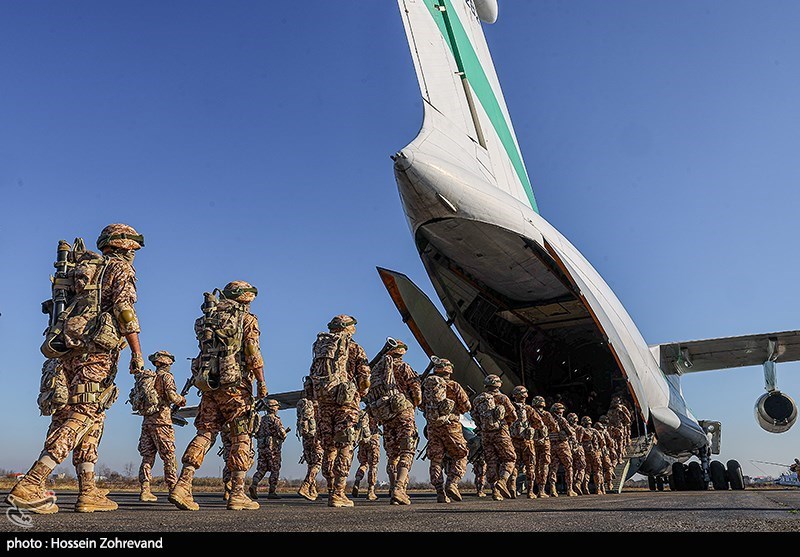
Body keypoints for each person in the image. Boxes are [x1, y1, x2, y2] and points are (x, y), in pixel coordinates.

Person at [7, 224, 145, 514]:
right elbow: (124, 309)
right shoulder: (120, 269)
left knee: (82, 417)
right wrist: (137, 351)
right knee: (83, 415)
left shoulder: (80, 270)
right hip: (97, 352)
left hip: (68, 351)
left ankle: (88, 490)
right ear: (125, 246)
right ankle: (32, 482)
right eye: (133, 247)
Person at [169, 281, 268, 511]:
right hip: (235, 387)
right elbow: (253, 352)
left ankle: (183, 484)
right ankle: (237, 493)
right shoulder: (246, 319)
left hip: (209, 385)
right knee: (241, 436)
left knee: (205, 433)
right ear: (244, 297)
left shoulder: (207, 319)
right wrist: (261, 382)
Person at [308, 314, 370, 507]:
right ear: (348, 328)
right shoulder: (354, 347)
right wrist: (361, 392)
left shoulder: (320, 346)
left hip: (324, 402)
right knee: (345, 445)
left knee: (329, 448)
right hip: (346, 403)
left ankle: (330, 489)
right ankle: (339, 493)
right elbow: (364, 378)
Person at [364, 339, 421, 505]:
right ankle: (399, 488)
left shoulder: (377, 372)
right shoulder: (404, 367)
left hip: (386, 416)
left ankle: (393, 488)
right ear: (402, 352)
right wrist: (414, 403)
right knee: (407, 450)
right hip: (403, 413)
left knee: (392, 455)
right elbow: (417, 393)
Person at [137, 350, 186, 502]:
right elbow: (172, 396)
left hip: (147, 421)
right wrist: (181, 400)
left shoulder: (147, 378)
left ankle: (145, 490)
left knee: (147, 457)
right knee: (169, 456)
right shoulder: (166, 377)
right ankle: (173, 488)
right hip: (162, 422)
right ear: (168, 363)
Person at [422, 358, 471, 503]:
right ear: (449, 370)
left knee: (436, 459)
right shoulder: (454, 385)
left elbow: (421, 405)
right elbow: (466, 406)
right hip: (451, 425)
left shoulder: (427, 386)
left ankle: (439, 492)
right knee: (461, 454)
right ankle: (452, 483)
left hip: (432, 427)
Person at [472, 375, 517, 501]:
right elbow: (513, 416)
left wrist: (483, 427)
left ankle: (494, 490)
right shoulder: (502, 398)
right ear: (499, 385)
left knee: (491, 461)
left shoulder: (478, 399)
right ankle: (502, 483)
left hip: (486, 435)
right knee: (510, 458)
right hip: (501, 432)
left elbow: (475, 417)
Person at [249, 399, 289, 500]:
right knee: (275, 469)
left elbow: (256, 433)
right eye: (276, 406)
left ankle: (254, 484)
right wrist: (283, 434)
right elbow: (282, 434)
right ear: (273, 408)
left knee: (261, 468)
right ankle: (272, 491)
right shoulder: (275, 420)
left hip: (262, 447)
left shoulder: (261, 419)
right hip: (273, 449)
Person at [509, 385, 544, 499]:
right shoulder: (528, 409)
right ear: (525, 395)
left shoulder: (510, 407)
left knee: (514, 466)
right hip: (527, 442)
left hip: (513, 442)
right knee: (530, 466)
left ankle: (512, 489)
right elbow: (539, 423)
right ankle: (530, 492)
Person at [296, 395, 323, 501]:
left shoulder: (304, 406)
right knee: (318, 463)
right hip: (316, 437)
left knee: (311, 464)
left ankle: (313, 491)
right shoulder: (319, 408)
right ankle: (305, 485)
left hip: (305, 437)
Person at [530, 395, 558, 498]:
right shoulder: (547, 414)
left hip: (533, 441)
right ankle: (541, 490)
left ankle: (532, 490)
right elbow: (554, 427)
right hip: (545, 442)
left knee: (534, 465)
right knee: (544, 465)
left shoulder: (530, 413)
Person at [547, 402, 577, 497]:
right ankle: (570, 489)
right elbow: (570, 432)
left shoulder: (548, 420)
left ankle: (553, 489)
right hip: (562, 445)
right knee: (568, 467)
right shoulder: (562, 420)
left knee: (553, 468)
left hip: (552, 445)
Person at [352, 410, 380, 501]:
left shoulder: (362, 414)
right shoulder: (375, 411)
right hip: (373, 441)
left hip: (362, 442)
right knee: (373, 466)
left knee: (363, 464)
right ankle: (371, 491)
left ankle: (357, 481)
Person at [580, 416, 605, 495]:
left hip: (585, 453)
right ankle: (598, 489)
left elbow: (578, 441)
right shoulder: (595, 431)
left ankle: (585, 488)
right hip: (595, 453)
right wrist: (599, 450)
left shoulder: (581, 431)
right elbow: (602, 441)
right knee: (597, 471)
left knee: (587, 471)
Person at [566, 412, 587, 496]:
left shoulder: (566, 429)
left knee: (572, 468)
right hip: (578, 449)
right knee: (582, 467)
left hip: (569, 450)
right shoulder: (580, 428)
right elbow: (581, 439)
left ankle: (571, 485)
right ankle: (578, 482)